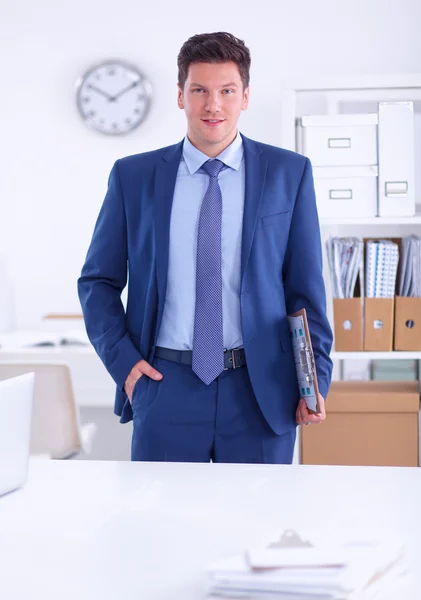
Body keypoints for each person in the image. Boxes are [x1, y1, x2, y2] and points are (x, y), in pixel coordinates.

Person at [78, 31, 333, 464]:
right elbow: (97, 281)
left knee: (257, 527)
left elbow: (306, 290)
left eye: (226, 91)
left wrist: (314, 381)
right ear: (181, 96)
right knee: (165, 527)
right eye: (199, 90)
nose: (213, 104)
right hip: (165, 385)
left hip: (261, 391)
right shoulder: (133, 177)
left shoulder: (289, 174)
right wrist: (126, 366)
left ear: (245, 97)